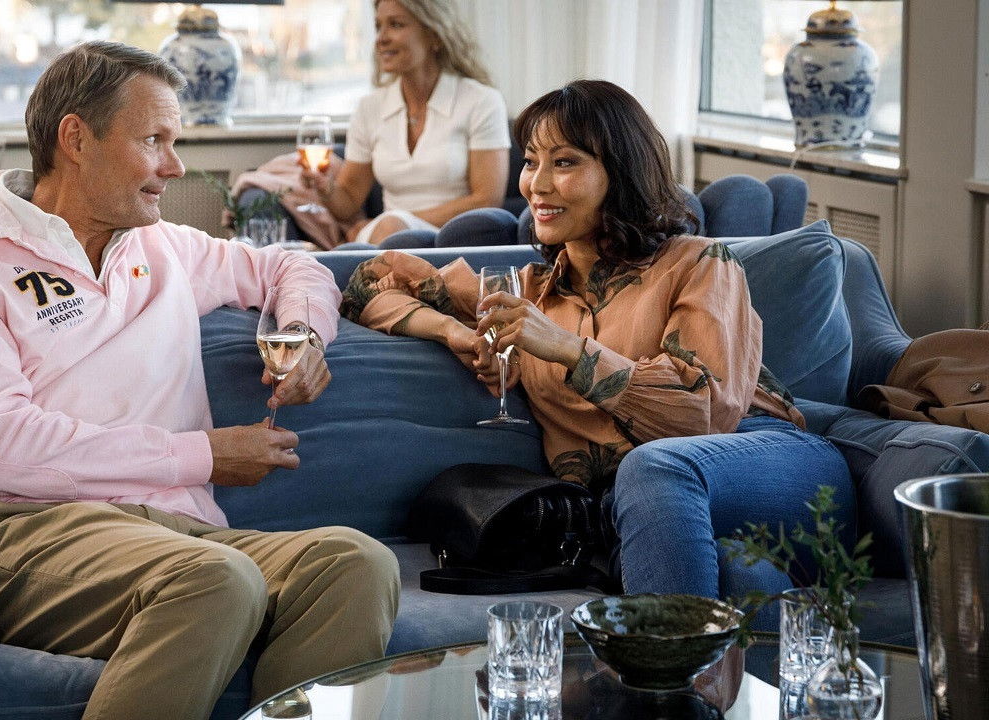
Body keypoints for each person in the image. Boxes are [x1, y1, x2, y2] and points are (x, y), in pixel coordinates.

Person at [0, 41, 399, 720]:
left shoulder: (160, 245)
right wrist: (203, 456)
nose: (175, 165)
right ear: (76, 139)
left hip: (177, 534)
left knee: (356, 566)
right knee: (215, 581)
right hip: (23, 530)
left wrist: (306, 335)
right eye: (153, 141)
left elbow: (292, 267)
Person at [341, 80, 853, 605]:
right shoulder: (525, 295)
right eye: (531, 162)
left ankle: (665, 654)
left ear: (621, 172)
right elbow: (368, 283)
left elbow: (701, 417)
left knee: (651, 470)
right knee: (743, 578)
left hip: (767, 465)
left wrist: (566, 347)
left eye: (564, 162)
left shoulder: (699, 263)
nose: (537, 184)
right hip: (641, 511)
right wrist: (454, 331)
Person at [302, 0, 509, 246]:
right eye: (378, 26)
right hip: (387, 235)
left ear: (434, 36)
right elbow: (347, 202)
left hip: (454, 235)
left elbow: (487, 200)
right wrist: (326, 188)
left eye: (396, 25)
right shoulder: (369, 108)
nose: (381, 38)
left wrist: (395, 220)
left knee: (389, 230)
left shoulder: (482, 101)